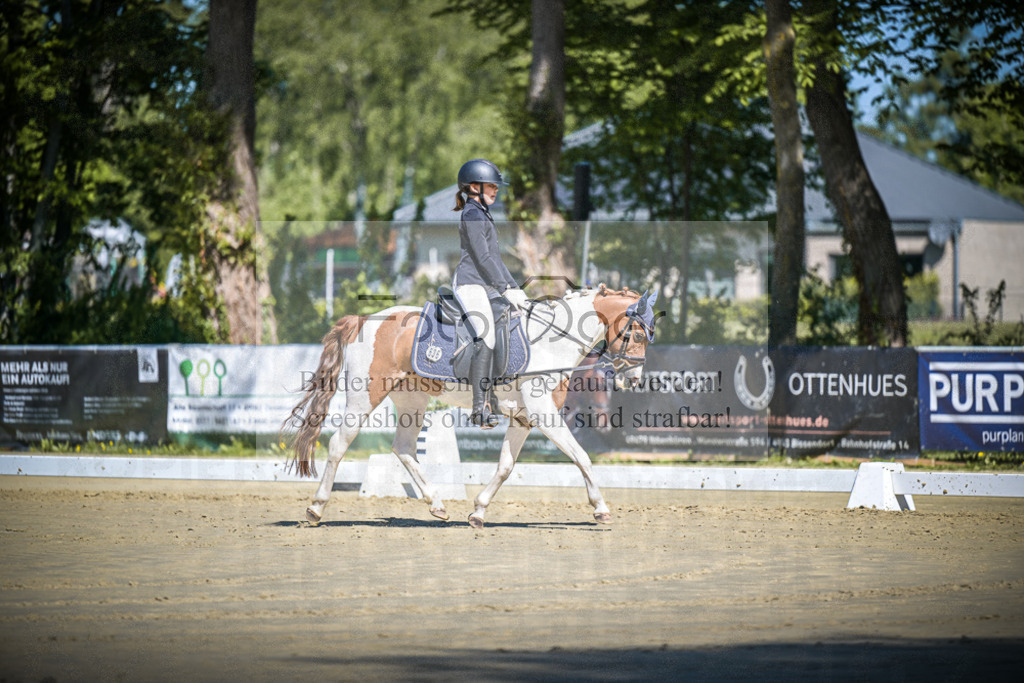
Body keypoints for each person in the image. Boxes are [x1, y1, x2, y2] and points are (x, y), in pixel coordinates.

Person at [452, 159, 530, 429]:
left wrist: (516, 289)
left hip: (486, 286)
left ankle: (497, 395)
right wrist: (505, 288)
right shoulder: (472, 214)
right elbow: (483, 258)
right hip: (470, 284)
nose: (496, 190)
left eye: (497, 186)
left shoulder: (483, 214)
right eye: (491, 186)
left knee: (508, 325)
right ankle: (479, 407)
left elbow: (496, 260)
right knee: (485, 334)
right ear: (474, 187)